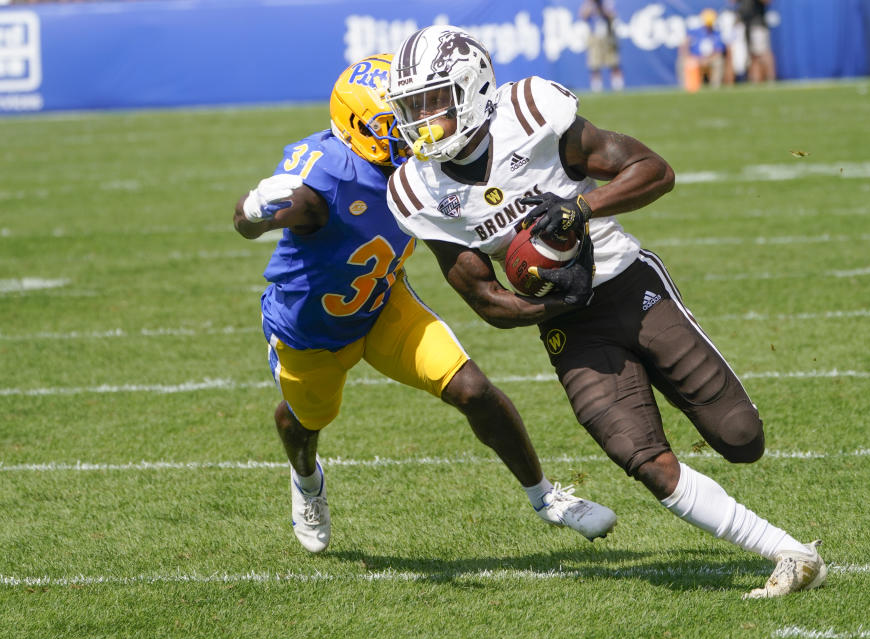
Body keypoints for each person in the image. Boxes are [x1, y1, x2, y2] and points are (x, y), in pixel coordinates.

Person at [384, 25, 826, 598]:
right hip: (568, 324)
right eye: (410, 108)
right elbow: (485, 299)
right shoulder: (416, 190)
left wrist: (579, 208)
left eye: (433, 103)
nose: (421, 121)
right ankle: (788, 552)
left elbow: (654, 170)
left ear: (473, 88)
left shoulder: (531, 112)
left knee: (742, 438)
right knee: (642, 458)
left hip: (628, 283)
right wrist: (550, 301)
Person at [232, 54, 616, 554]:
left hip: (386, 305)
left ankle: (545, 498)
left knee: (473, 390)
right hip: (310, 330)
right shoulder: (329, 177)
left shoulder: (425, 169)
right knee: (302, 422)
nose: (419, 128)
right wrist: (254, 210)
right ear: (361, 127)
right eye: (399, 120)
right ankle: (306, 482)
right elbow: (252, 220)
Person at [678, 8, 731, 91]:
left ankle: (715, 87)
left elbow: (719, 52)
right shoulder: (695, 32)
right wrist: (689, 57)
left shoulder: (717, 34)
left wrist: (707, 60)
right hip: (695, 58)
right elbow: (684, 45)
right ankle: (687, 86)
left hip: (710, 59)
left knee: (719, 61)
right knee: (682, 61)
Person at [579, 0, 625, 91]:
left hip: (607, 36)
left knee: (613, 63)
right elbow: (583, 16)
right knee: (594, 65)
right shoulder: (589, 3)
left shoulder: (607, 2)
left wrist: (601, 7)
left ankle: (618, 87)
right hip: (595, 37)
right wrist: (591, 5)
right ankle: (597, 88)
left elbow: (612, 15)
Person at [733, 0, 775, 82]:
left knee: (763, 54)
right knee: (753, 56)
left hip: (758, 25)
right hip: (747, 26)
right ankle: (757, 80)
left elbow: (767, 1)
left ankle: (771, 78)